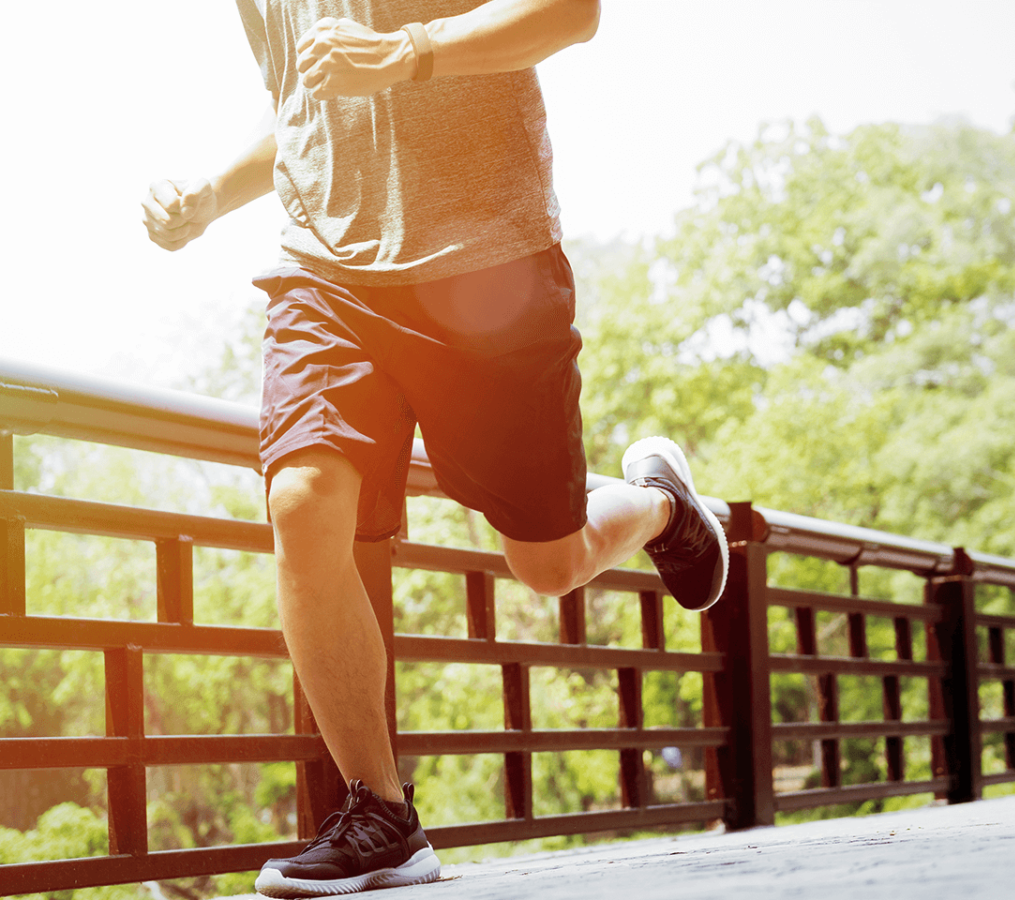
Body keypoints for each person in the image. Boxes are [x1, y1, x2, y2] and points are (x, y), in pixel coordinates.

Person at [141, 1, 728, 895]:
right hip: (325, 274)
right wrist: (211, 198)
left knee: (547, 563)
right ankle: (380, 813)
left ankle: (659, 505)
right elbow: (304, 101)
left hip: (488, 268)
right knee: (302, 503)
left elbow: (570, 13)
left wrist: (407, 56)